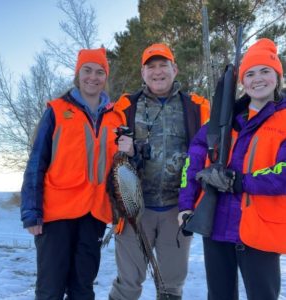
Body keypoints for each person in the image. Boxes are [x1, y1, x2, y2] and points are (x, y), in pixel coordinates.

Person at [20, 48, 133, 300]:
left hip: (94, 215)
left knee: (83, 288)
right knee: (51, 289)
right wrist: (31, 211)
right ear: (77, 72)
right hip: (56, 214)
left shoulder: (116, 118)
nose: (93, 77)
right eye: (87, 70)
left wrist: (132, 151)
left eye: (100, 72)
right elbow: (36, 162)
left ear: (106, 76)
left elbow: (122, 169)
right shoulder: (57, 110)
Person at [178, 38, 286, 300]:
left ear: (278, 76)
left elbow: (282, 175)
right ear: (242, 82)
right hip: (215, 223)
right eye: (250, 73)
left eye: (265, 71)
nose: (257, 79)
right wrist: (186, 205)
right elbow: (193, 160)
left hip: (260, 227)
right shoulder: (221, 120)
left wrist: (239, 181)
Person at [109, 43, 209, 300]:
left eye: (163, 65)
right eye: (150, 67)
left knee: (171, 288)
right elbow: (103, 148)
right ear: (142, 73)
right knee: (127, 287)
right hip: (134, 211)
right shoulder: (125, 107)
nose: (157, 72)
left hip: (177, 211)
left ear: (174, 69)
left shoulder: (196, 107)